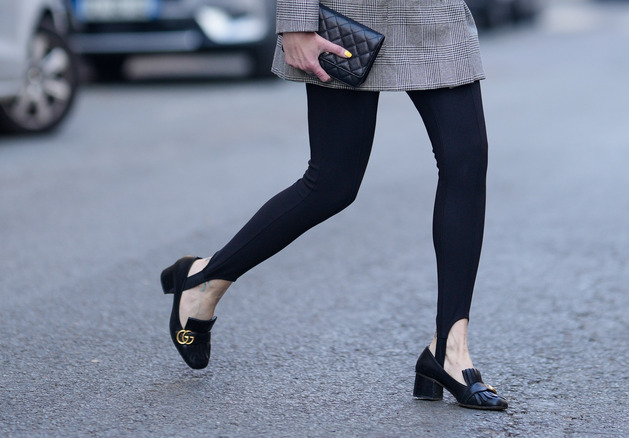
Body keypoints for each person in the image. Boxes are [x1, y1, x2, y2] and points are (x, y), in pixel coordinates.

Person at [160, 0, 508, 411]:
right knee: (333, 183)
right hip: (350, 14)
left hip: (433, 13)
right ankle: (205, 277)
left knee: (466, 162)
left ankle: (450, 349)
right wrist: (296, 21)